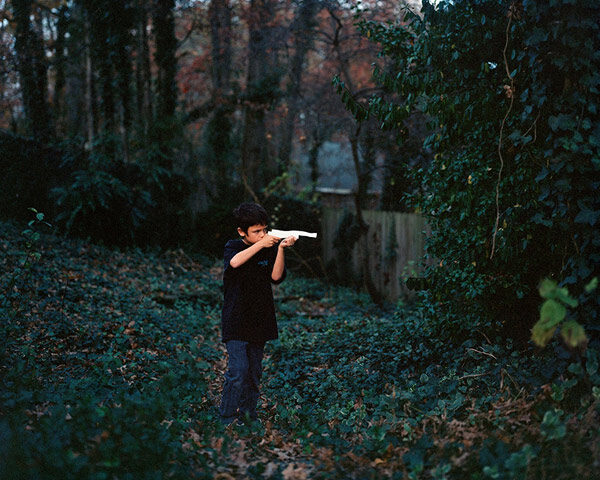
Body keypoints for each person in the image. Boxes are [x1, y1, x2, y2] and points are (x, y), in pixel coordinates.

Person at [219, 202, 296, 426]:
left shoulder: (269, 247)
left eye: (264, 229)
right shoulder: (233, 246)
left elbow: (276, 277)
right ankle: (226, 418)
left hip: (260, 320)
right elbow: (234, 263)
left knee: (254, 373)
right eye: (256, 231)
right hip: (236, 319)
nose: (262, 234)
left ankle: (248, 417)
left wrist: (280, 249)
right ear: (242, 232)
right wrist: (262, 244)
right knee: (238, 370)